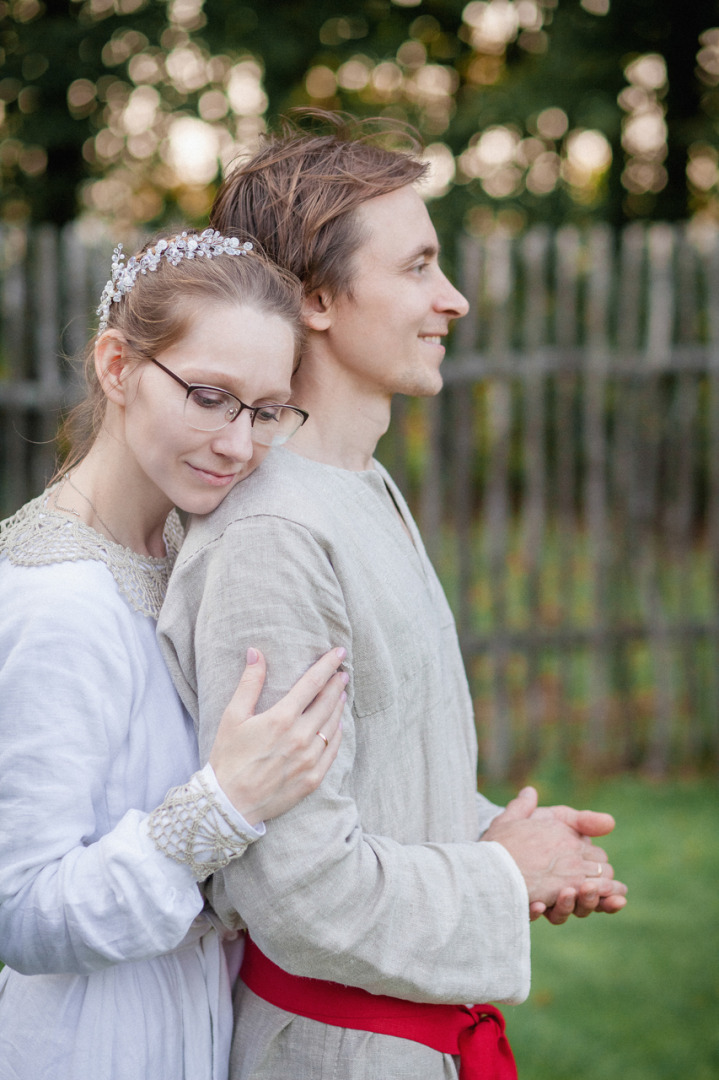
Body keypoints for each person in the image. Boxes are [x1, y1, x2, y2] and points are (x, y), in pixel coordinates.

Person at [158, 116, 628, 1080]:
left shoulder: (359, 486)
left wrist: (506, 835)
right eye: (417, 266)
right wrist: (503, 876)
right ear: (318, 300)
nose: (450, 299)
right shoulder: (272, 539)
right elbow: (296, 888)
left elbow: (372, 780)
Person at [0, 227, 350, 1080]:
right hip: (90, 1042)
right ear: (117, 368)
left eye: (266, 411)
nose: (239, 444)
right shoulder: (56, 601)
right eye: (208, 396)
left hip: (196, 1018)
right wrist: (221, 805)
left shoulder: (189, 553)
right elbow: (21, 912)